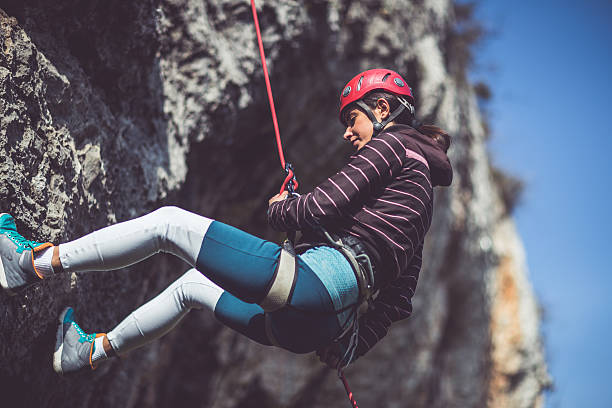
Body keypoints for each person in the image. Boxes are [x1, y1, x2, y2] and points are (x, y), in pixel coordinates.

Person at [0, 68, 452, 375]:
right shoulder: (423, 200)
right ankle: (88, 352)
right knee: (191, 287)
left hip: (313, 284)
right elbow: (397, 300)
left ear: (383, 110)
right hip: (318, 326)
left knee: (169, 224)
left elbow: (317, 209)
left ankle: (29, 263)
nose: (347, 132)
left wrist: (282, 206)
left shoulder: (392, 147)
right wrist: (348, 348)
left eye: (353, 119)